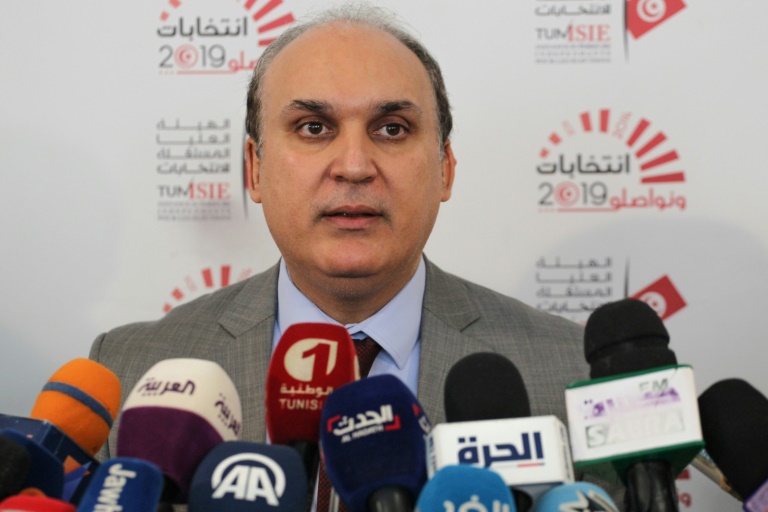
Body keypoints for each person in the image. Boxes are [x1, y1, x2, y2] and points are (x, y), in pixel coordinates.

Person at [91, 1, 590, 507]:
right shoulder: (129, 372)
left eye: (392, 128)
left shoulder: (572, 373)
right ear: (255, 169)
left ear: (445, 169)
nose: (354, 166)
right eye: (314, 127)